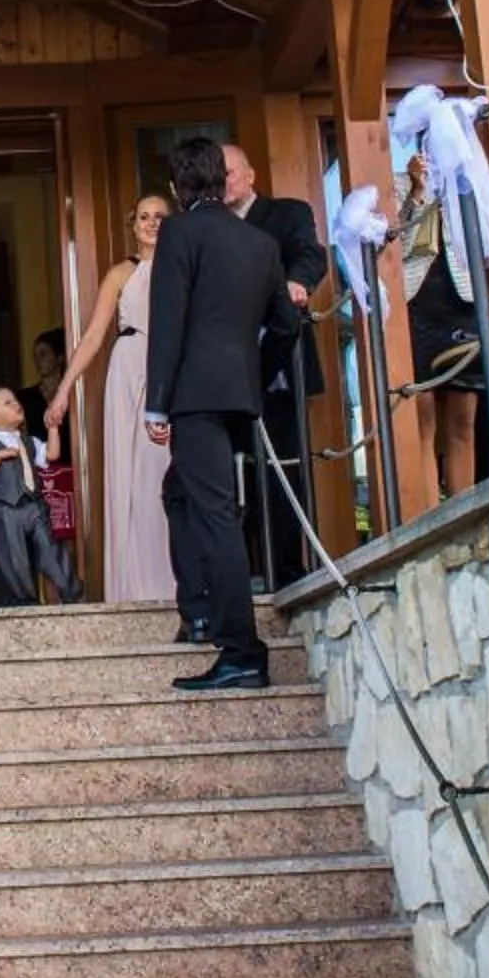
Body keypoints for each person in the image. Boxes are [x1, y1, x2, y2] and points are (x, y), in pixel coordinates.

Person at [145, 137, 297, 692]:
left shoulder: (180, 232)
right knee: (180, 493)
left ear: (176, 188)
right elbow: (286, 323)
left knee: (214, 513)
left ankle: (242, 651)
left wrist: (156, 401)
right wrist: (250, 371)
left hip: (195, 396)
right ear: (220, 179)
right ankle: (200, 608)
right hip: (238, 392)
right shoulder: (259, 242)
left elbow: (169, 319)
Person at [49, 195, 171, 607]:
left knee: (168, 474)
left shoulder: (184, 265)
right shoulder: (121, 272)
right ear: (132, 224)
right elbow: (93, 336)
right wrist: (64, 390)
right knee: (132, 476)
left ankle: (175, 580)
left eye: (160, 217)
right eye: (144, 217)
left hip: (171, 370)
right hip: (130, 367)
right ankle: (133, 586)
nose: (152, 224)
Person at [224, 145, 326, 583]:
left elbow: (310, 254)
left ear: (249, 174)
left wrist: (296, 283)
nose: (223, 180)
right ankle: (242, 572)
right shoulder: (206, 227)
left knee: (285, 465)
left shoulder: (287, 213)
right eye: (217, 174)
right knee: (234, 471)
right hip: (227, 369)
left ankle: (286, 569)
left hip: (280, 361)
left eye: (229, 172)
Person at [395, 151, 485, 499]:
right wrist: (417, 192)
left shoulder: (467, 180)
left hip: (462, 300)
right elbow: (394, 246)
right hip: (416, 303)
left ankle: (465, 513)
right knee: (423, 417)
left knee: (463, 418)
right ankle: (431, 518)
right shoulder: (398, 183)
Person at [0, 385, 84, 607]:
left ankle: (71, 591)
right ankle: (23, 601)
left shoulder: (29, 441)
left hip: (33, 504)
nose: (16, 404)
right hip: (6, 508)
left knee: (50, 548)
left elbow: (51, 454)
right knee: (14, 557)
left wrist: (52, 428)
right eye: (7, 403)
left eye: (14, 400)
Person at [14, 330, 71, 463]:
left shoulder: (73, 395)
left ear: (60, 357)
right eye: (35, 355)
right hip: (41, 467)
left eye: (43, 354)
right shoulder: (25, 397)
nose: (37, 360)